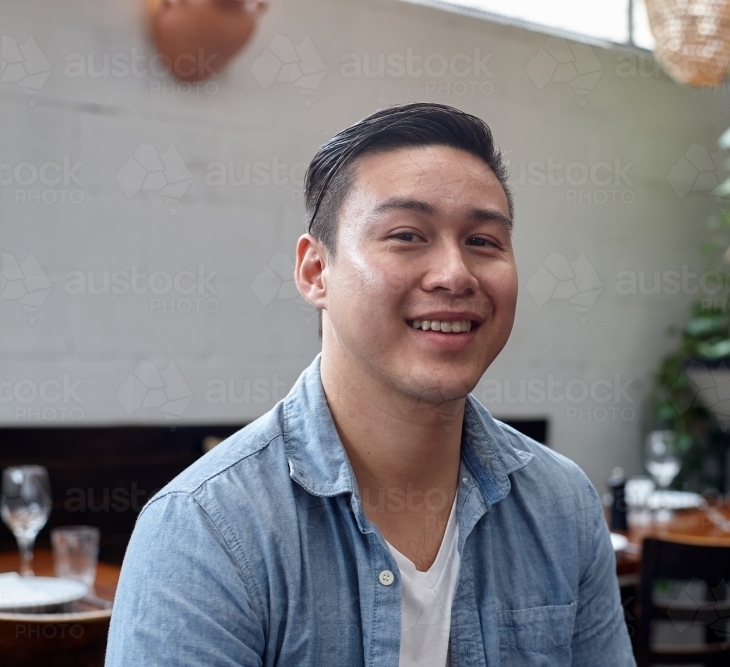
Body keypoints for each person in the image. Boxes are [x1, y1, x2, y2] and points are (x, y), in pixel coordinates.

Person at [105, 102, 635, 667]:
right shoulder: (206, 530)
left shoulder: (561, 505)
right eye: (407, 235)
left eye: (483, 241)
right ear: (316, 271)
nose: (455, 274)